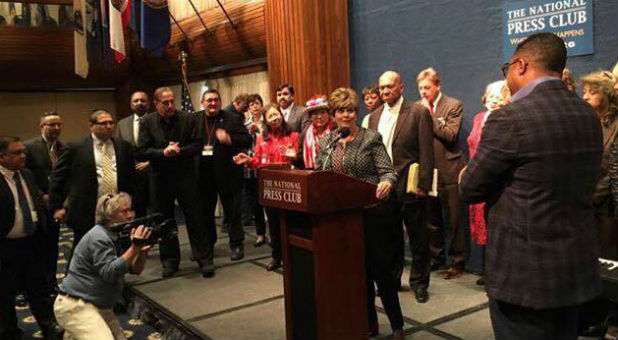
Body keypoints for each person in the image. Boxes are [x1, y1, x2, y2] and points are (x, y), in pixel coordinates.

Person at [459, 32, 603, 340]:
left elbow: (470, 188)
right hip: (574, 272)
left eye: (506, 70)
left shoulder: (509, 118)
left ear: (520, 65)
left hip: (523, 279)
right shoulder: (587, 115)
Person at [316, 88, 403, 340]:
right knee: (356, 275)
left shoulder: (370, 138)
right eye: (341, 110)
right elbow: (321, 175)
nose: (346, 115)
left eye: (351, 110)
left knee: (381, 273)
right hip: (341, 219)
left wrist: (387, 182)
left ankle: (397, 325)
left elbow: (388, 171)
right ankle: (368, 323)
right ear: (334, 114)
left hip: (371, 215)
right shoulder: (327, 142)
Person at [367, 70, 434, 303]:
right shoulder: (373, 117)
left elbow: (427, 151)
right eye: (382, 87)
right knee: (390, 238)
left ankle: (420, 283)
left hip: (410, 186)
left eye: (390, 87)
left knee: (418, 238)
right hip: (384, 189)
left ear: (401, 88)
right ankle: (393, 281)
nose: (385, 91)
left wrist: (424, 185)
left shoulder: (418, 112)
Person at [137, 87, 213, 278]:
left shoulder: (188, 118)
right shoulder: (147, 122)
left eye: (172, 101)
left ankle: (204, 258)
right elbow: (142, 151)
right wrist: (163, 153)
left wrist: (180, 151)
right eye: (165, 102)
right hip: (160, 179)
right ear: (156, 104)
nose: (170, 105)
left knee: (195, 218)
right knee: (164, 221)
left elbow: (197, 145)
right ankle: (170, 261)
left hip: (185, 177)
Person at [54, 192, 151, 340]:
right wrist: (135, 248)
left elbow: (136, 270)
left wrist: (142, 251)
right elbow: (110, 273)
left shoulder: (116, 234)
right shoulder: (99, 237)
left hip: (99, 305)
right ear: (110, 215)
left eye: (131, 210)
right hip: (75, 305)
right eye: (125, 211)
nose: (131, 215)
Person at [0, 136, 63, 340]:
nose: (23, 156)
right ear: (2, 157)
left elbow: (34, 199)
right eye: (17, 153)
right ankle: (10, 331)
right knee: (5, 292)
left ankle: (48, 326)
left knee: (38, 287)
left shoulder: (27, 174)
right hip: (6, 246)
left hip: (32, 241)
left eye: (23, 151)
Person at [49, 110, 135, 248]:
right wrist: (57, 206)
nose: (109, 126)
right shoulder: (75, 147)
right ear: (91, 126)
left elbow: (132, 178)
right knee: (85, 249)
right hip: (87, 209)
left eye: (111, 122)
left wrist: (133, 206)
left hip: (117, 209)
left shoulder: (123, 146)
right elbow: (58, 178)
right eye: (103, 123)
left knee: (117, 249)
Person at [233, 103, 299, 271]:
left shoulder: (293, 135)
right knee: (274, 224)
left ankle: (292, 258)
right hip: (269, 187)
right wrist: (248, 160)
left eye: (276, 114)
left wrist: (294, 156)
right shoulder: (262, 138)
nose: (274, 118)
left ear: (282, 115)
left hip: (289, 187)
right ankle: (276, 257)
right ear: (266, 121)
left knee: (289, 223)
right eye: (270, 116)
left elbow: (297, 159)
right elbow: (257, 160)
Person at [416, 67, 467, 279]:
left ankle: (458, 262)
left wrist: (430, 116)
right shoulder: (416, 108)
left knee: (454, 219)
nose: (423, 92)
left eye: (427, 87)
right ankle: (436, 258)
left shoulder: (453, 105)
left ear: (438, 86)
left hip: (450, 170)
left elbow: (450, 134)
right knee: (431, 219)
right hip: (428, 171)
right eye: (420, 88)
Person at [196, 89, 252, 261]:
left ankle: (236, 245)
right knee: (206, 214)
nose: (212, 103)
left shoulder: (232, 118)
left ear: (220, 102)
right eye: (209, 100)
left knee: (233, 212)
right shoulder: (194, 119)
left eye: (216, 100)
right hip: (204, 175)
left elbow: (247, 139)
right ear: (202, 103)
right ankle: (208, 246)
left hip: (228, 173)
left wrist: (230, 140)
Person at [466, 80, 510, 286]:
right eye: (490, 97)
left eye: (498, 98)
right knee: (482, 225)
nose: (493, 102)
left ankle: (498, 272)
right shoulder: (478, 118)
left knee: (495, 225)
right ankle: (487, 270)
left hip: (495, 180)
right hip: (476, 177)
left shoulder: (506, 120)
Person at [25, 111, 66, 286]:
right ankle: (29, 285)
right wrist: (40, 195)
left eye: (59, 124)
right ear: (42, 126)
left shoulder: (64, 148)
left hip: (56, 205)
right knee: (34, 248)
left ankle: (50, 282)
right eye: (52, 124)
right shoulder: (29, 147)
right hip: (35, 205)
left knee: (52, 246)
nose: (56, 128)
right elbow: (25, 176)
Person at [581, 70, 618, 260]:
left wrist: (592, 196)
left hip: (608, 207)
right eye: (585, 91)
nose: (585, 96)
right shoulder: (586, 122)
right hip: (586, 204)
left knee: (608, 257)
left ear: (607, 94)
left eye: (592, 92)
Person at [115, 91, 152, 218]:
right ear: (131, 105)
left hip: (153, 173)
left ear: (149, 104)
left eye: (143, 100)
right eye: (136, 101)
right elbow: (118, 148)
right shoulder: (122, 124)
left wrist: (149, 163)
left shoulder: (156, 120)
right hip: (131, 177)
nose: (139, 103)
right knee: (135, 212)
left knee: (156, 212)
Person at [243, 93, 267, 247]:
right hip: (250, 168)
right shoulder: (244, 124)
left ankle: (273, 233)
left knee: (269, 202)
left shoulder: (267, 123)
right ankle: (260, 234)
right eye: (251, 104)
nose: (255, 106)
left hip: (265, 165)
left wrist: (258, 131)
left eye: (257, 103)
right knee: (256, 202)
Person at [298, 94, 334, 169]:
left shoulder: (335, 131)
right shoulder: (305, 133)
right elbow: (301, 157)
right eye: (315, 114)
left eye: (322, 112)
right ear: (310, 117)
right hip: (312, 173)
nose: (319, 116)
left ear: (328, 114)